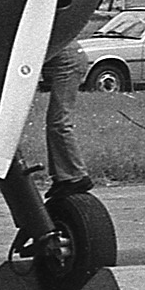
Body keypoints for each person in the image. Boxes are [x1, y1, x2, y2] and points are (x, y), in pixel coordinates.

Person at [42, 44, 94, 198]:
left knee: (59, 122)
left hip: (67, 62)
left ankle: (76, 176)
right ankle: (62, 177)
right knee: (55, 122)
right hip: (65, 59)